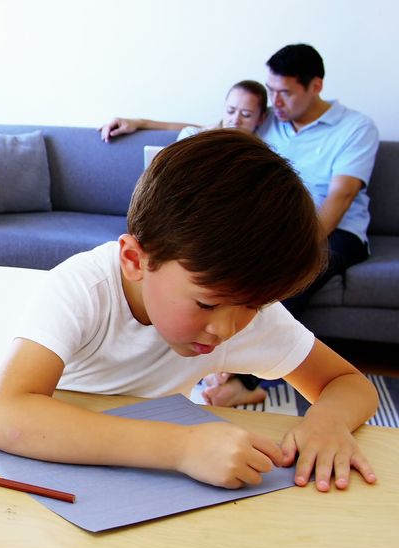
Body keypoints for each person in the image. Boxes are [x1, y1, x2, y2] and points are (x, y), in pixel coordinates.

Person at [0, 129, 378, 493]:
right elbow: (7, 415)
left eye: (253, 304)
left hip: (143, 488)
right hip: (40, 477)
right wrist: (182, 448)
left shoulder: (242, 313)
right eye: (206, 303)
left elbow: (347, 382)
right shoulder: (85, 289)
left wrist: (327, 421)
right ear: (134, 260)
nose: (226, 328)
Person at [97, 45, 380, 408]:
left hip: (330, 230)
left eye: (286, 92)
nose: (275, 100)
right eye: (271, 90)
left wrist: (288, 249)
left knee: (279, 278)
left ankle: (244, 380)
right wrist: (141, 123)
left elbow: (340, 198)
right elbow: (210, 129)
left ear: (316, 87)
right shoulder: (270, 121)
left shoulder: (355, 128)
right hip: (264, 226)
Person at [98, 79, 268, 143]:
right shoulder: (199, 133)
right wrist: (138, 122)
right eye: (230, 111)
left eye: (246, 115)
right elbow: (177, 127)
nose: (235, 120)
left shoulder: (265, 150)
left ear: (261, 118)